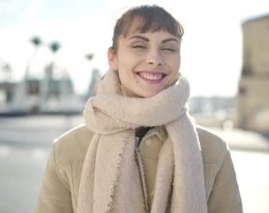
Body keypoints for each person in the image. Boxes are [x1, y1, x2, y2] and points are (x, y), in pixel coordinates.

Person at [35, 4, 243, 213]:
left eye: (169, 48)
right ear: (112, 57)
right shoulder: (66, 150)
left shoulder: (214, 151)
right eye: (139, 46)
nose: (155, 58)